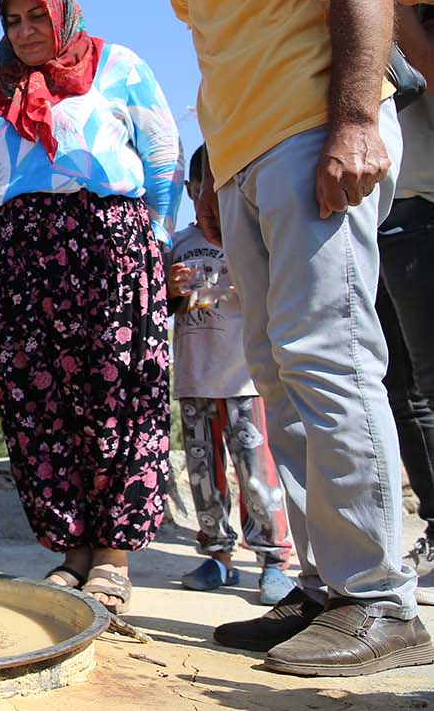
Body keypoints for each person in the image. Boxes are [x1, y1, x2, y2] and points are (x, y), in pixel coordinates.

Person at [57, 0, 429, 672]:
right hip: (253, 158)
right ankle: (327, 588)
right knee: (279, 372)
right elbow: (233, 45)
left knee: (327, 355)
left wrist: (352, 119)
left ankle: (381, 599)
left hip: (315, 131)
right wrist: (222, 175)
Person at [0, 0, 182, 612]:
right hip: (21, 257)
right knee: (37, 400)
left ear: (64, 14)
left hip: (110, 244)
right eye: (12, 21)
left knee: (115, 392)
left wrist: (155, 248)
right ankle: (70, 549)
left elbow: (164, 157)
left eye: (36, 17)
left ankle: (113, 555)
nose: (25, 32)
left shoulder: (119, 66)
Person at [170, 146, 294, 606]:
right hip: (194, 380)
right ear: (191, 192)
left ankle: (273, 560)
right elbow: (166, 303)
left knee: (257, 474)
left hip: (246, 381)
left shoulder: (254, 238)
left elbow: (271, 294)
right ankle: (217, 554)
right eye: (205, 191)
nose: (214, 203)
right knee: (204, 473)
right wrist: (171, 288)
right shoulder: (179, 245)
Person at [382, 0, 434, 599]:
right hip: (393, 209)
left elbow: (420, 71)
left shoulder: (412, 3)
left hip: (426, 204)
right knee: (401, 386)